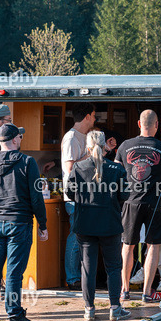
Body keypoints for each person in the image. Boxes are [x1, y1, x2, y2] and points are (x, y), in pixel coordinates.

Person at [0, 124, 47, 321]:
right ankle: (15, 317)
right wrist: (42, 224)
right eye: (20, 137)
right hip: (19, 222)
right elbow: (36, 197)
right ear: (15, 140)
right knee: (14, 273)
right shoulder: (27, 162)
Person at [65, 130, 131, 321]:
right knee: (113, 267)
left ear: (87, 146)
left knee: (88, 267)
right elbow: (124, 195)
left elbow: (69, 193)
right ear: (105, 147)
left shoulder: (78, 167)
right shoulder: (116, 169)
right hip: (110, 223)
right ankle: (115, 308)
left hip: (85, 223)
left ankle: (89, 309)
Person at [117, 110, 161, 304]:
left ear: (139, 124)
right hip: (154, 203)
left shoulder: (125, 145)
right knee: (153, 246)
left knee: (127, 245)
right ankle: (146, 292)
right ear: (156, 125)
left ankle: (124, 290)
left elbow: (116, 170)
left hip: (130, 202)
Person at [62, 103, 97, 289]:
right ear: (86, 117)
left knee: (82, 237)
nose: (95, 119)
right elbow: (70, 167)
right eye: (93, 115)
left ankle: (80, 277)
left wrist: (102, 149)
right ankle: (72, 278)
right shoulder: (71, 138)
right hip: (75, 198)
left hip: (86, 196)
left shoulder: (83, 136)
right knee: (75, 237)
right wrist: (91, 155)